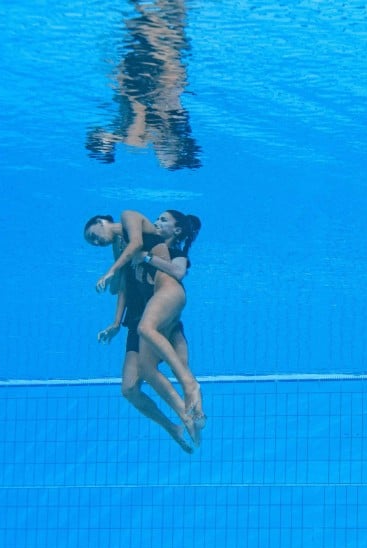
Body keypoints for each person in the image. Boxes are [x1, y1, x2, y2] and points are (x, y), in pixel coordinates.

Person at [85, 213, 194, 453]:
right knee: (129, 389)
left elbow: (174, 273)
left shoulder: (151, 244)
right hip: (137, 322)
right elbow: (122, 288)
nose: (95, 242)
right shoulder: (124, 248)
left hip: (163, 320)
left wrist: (115, 269)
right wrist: (115, 323)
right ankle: (172, 426)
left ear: (102, 221)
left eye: (94, 235)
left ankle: (191, 414)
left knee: (180, 371)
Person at [85, 0, 202, 171]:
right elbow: (137, 103)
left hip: (170, 75)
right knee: (149, 22)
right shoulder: (137, 137)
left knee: (172, 24)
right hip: (153, 76)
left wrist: (115, 136)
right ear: (174, 146)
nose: (157, 153)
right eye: (162, 154)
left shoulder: (171, 124)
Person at [137, 210, 207, 444]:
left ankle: (194, 398)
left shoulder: (178, 254)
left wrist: (146, 257)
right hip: (160, 315)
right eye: (156, 219)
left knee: (183, 368)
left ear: (177, 231)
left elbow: (178, 272)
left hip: (171, 315)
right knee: (147, 371)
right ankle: (190, 422)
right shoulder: (154, 250)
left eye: (163, 220)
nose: (157, 222)